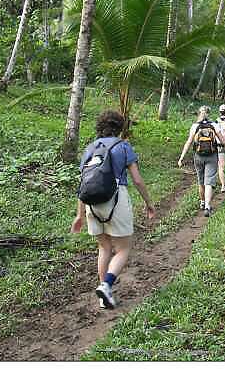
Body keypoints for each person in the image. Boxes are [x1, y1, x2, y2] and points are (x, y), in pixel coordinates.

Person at [71, 110, 156, 310]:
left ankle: (104, 296)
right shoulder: (123, 146)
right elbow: (137, 179)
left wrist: (79, 215)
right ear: (119, 128)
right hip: (116, 199)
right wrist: (148, 203)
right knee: (123, 248)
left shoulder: (89, 149)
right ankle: (107, 285)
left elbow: (84, 183)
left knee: (104, 247)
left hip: (92, 203)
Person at [178, 106, 225, 217]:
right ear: (209, 114)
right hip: (212, 155)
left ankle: (202, 202)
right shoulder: (214, 125)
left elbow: (189, 142)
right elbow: (223, 141)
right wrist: (222, 140)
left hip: (198, 156)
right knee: (209, 181)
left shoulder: (195, 126)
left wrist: (182, 157)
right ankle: (207, 206)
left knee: (201, 181)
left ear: (199, 114)